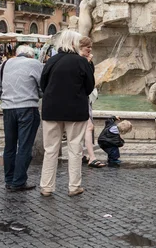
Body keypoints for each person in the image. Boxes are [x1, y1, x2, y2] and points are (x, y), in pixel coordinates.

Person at [39, 30, 95, 197]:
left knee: (50, 149)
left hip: (51, 110)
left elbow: (43, 85)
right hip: (75, 111)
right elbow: (89, 87)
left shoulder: (51, 61)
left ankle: (46, 187)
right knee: (75, 148)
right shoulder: (81, 62)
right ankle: (74, 186)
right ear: (73, 43)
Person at [0, 45, 44, 191]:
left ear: (16, 54)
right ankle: (18, 181)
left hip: (8, 110)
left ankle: (9, 180)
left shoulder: (4, 64)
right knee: (24, 146)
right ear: (31, 55)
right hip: (27, 109)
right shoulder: (35, 64)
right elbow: (43, 89)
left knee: (9, 146)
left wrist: (9, 97)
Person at [78, 37, 105, 168]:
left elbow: (91, 79)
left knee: (84, 128)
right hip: (79, 98)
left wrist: (89, 63)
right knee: (88, 127)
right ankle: (91, 157)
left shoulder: (87, 60)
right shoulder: (78, 61)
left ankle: (83, 155)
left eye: (90, 47)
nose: (90, 49)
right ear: (80, 46)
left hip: (85, 98)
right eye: (87, 47)